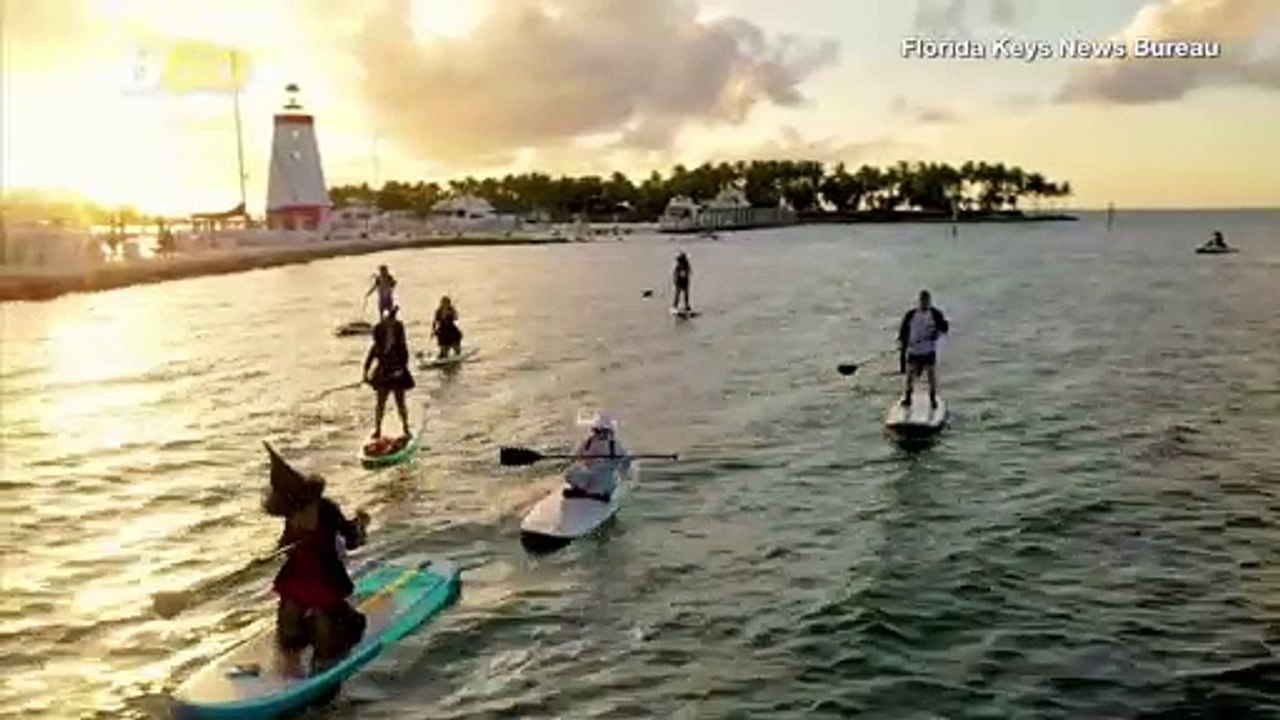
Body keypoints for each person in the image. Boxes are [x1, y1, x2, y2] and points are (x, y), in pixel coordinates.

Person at [263, 444, 370, 676]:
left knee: (326, 633)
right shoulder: (292, 516)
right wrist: (280, 549)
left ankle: (337, 639)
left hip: (324, 576)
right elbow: (285, 543)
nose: (296, 519)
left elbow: (350, 539)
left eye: (298, 512)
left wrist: (359, 527)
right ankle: (298, 643)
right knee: (288, 625)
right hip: (299, 574)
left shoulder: (327, 510)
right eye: (290, 515)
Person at [362, 305, 414, 443]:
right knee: (380, 403)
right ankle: (378, 429)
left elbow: (405, 357)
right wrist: (365, 374)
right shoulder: (378, 344)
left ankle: (406, 428)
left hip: (397, 374)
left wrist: (400, 370)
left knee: (400, 402)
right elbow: (369, 358)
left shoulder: (400, 342)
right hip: (383, 374)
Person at [897, 290, 950, 410]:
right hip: (914, 351)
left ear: (930, 301)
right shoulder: (911, 315)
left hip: (928, 351)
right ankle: (908, 398)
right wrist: (902, 345)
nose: (925, 303)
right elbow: (903, 333)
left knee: (931, 376)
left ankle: (932, 399)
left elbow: (945, 328)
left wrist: (937, 333)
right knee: (910, 376)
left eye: (927, 301)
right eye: (923, 301)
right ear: (919, 301)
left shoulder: (935, 314)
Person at [563, 415, 624, 503]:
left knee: (605, 480)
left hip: (605, 474)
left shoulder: (615, 446)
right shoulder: (587, 443)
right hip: (589, 474)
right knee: (573, 471)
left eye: (602, 431)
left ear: (609, 432)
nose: (599, 434)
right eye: (597, 431)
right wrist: (576, 460)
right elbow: (574, 458)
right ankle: (583, 490)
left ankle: (596, 493)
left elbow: (624, 462)